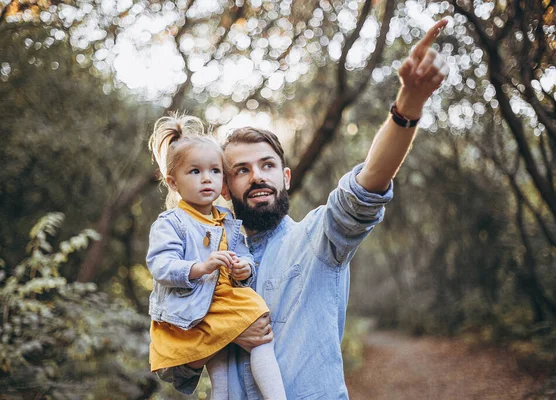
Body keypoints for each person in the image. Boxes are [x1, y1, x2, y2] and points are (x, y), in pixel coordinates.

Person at [220, 19, 451, 399]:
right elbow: (180, 364)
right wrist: (224, 329)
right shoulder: (213, 264)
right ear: (227, 187)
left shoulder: (317, 240)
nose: (257, 177)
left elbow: (366, 187)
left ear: (286, 177)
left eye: (266, 166)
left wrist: (409, 102)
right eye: (242, 170)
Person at [145, 115, 286, 399]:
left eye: (215, 171)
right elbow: (160, 265)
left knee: (259, 337)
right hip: (195, 303)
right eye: (195, 172)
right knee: (217, 359)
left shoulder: (227, 221)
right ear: (173, 182)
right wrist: (200, 267)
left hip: (224, 297)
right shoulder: (171, 223)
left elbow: (244, 256)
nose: (206, 178)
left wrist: (243, 269)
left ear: (224, 181)